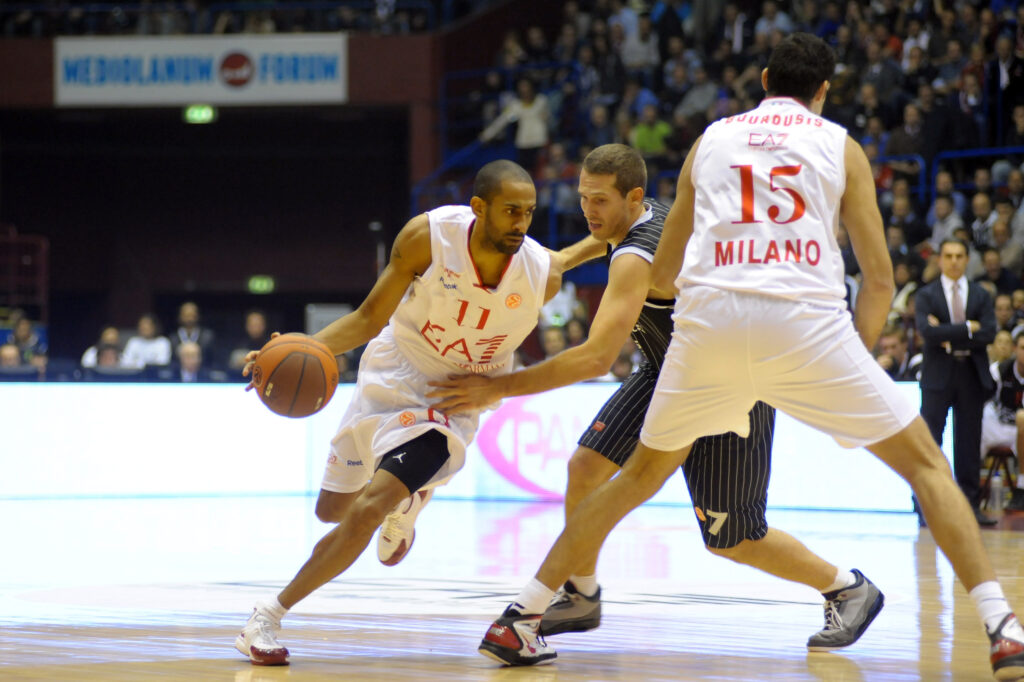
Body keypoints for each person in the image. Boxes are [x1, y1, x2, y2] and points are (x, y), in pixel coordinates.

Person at [472, 34, 1024, 680]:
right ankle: (1002, 627)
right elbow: (878, 281)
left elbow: (666, 271)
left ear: (763, 79)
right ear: (824, 92)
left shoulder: (710, 140)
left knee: (635, 482)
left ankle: (522, 613)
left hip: (707, 334)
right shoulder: (841, 145)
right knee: (927, 467)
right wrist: (859, 363)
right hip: (806, 330)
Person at [430, 143, 885, 656]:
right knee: (585, 469)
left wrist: (498, 387)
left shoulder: (635, 258)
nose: (588, 210)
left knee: (733, 537)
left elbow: (595, 359)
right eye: (583, 198)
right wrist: (564, 257)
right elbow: (606, 238)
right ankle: (580, 593)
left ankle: (847, 586)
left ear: (634, 197)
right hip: (666, 370)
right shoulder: (655, 213)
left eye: (599, 200)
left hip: (728, 380)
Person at [232, 160, 595, 666]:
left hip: (454, 399)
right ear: (479, 208)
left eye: (529, 213)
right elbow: (366, 317)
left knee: (365, 512)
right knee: (333, 512)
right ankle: (407, 502)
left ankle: (266, 616)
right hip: (394, 371)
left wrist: (648, 221)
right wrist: (299, 348)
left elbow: (586, 248)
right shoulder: (429, 238)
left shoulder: (539, 272)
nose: (521, 222)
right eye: (511, 211)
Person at [916, 238, 998, 527]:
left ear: (966, 259)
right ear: (939, 259)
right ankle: (925, 506)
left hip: (970, 373)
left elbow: (988, 333)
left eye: (959, 256)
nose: (953, 261)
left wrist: (947, 332)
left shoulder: (980, 294)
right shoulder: (926, 294)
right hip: (938, 374)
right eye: (948, 255)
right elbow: (927, 332)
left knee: (968, 443)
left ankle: (969, 507)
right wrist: (966, 328)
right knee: (929, 441)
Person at [981, 330, 1024, 512]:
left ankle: (1021, 487)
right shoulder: (999, 370)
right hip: (998, 426)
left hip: (1020, 430)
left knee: (1022, 418)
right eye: (1023, 348)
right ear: (1015, 349)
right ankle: (967, 489)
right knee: (975, 420)